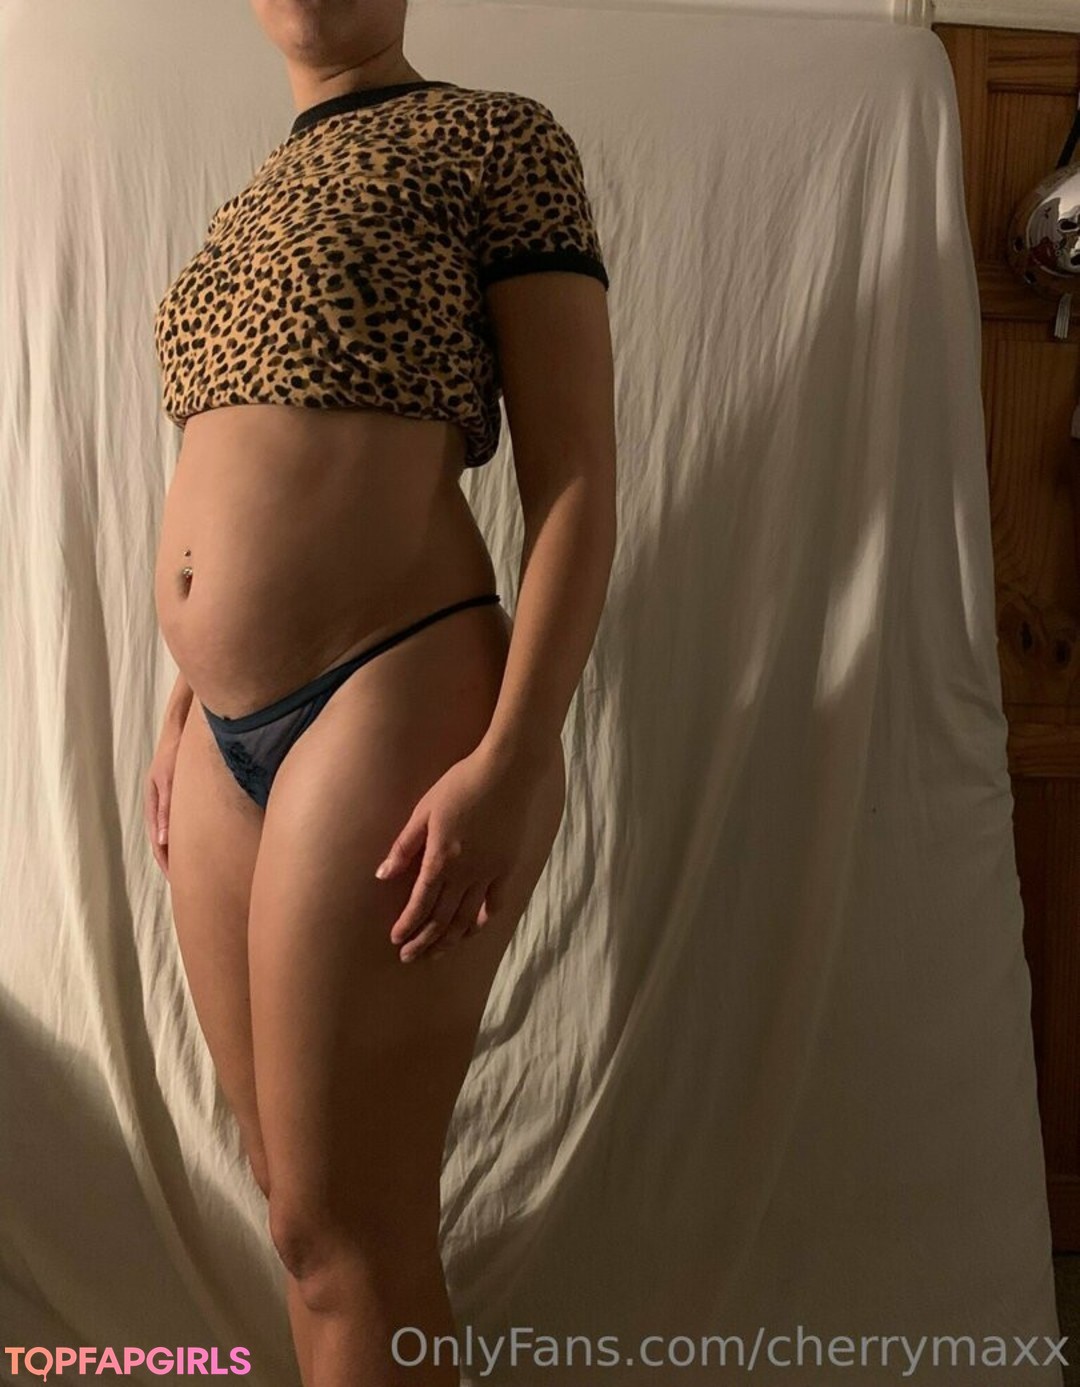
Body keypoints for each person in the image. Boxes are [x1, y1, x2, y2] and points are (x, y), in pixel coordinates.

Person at [142, 0, 616, 1383]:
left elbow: (577, 479)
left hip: (393, 690)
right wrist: (181, 702)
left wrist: (518, 756)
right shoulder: (245, 205)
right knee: (296, 1217)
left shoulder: (495, 139)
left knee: (354, 1226)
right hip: (221, 743)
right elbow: (234, 472)